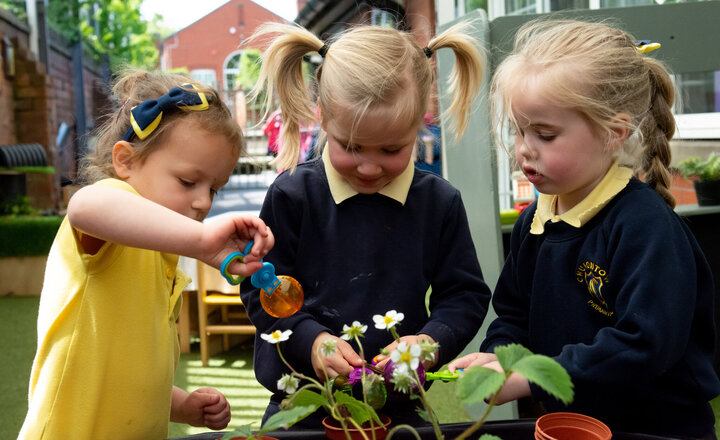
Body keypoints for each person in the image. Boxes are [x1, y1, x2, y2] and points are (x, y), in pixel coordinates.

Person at [448, 19, 720, 439]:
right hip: (570, 425)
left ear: (614, 132)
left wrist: (539, 375)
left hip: (657, 429)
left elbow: (645, 342)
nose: (523, 148)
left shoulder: (646, 228)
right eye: (518, 130)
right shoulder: (534, 222)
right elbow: (514, 316)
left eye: (545, 134)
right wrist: (501, 358)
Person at [240, 21, 491, 428]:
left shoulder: (438, 203)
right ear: (323, 117)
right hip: (300, 403)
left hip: (398, 407)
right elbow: (261, 287)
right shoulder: (292, 196)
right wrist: (312, 340)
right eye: (351, 147)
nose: (370, 167)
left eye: (392, 149)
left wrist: (430, 341)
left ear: (419, 124)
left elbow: (464, 295)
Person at [18, 70, 275, 440]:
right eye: (188, 182)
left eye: (214, 189)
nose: (203, 202)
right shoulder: (107, 222)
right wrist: (202, 240)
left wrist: (182, 405)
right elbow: (85, 205)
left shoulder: (160, 255)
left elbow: (125, 371)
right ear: (126, 162)